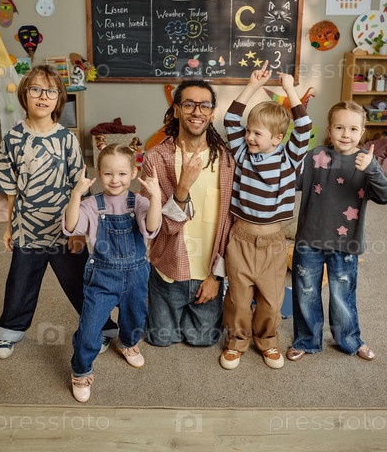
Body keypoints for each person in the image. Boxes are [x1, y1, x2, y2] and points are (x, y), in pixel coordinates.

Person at [0, 64, 117, 359]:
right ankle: (10, 331)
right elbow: (11, 190)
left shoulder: (66, 139)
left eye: (50, 91)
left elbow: (81, 188)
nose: (43, 96)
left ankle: (101, 327)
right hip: (28, 229)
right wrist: (10, 227)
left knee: (81, 282)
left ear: (59, 98)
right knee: (20, 283)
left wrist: (80, 231)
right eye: (36, 89)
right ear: (25, 94)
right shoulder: (12, 139)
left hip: (65, 228)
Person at [220, 60, 312, 370]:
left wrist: (289, 90)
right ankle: (236, 342)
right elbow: (231, 118)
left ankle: (267, 340)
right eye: (248, 131)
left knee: (271, 301)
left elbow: (304, 127)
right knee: (238, 299)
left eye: (257, 133)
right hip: (241, 239)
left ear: (277, 138)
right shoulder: (242, 154)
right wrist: (253, 86)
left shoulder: (290, 158)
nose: (249, 137)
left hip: (273, 242)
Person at [287, 100, 387, 363]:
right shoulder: (315, 156)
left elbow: (384, 196)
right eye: (339, 127)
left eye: (353, 129)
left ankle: (350, 339)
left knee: (343, 295)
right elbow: (289, 182)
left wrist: (372, 169)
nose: (346, 134)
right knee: (306, 292)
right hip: (309, 240)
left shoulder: (366, 162)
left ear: (362, 131)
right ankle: (306, 340)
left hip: (346, 244)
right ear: (330, 129)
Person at [63, 143, 162, 402]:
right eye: (108, 173)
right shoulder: (91, 204)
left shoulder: (139, 202)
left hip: (136, 275)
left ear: (133, 173)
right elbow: (71, 226)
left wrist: (156, 198)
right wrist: (75, 196)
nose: (115, 179)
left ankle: (127, 344)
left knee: (135, 317)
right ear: (98, 173)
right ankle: (81, 370)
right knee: (89, 327)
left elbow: (152, 227)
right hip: (102, 277)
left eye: (121, 173)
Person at [141, 79, 234, 347]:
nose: (197, 112)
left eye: (204, 106)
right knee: (160, 339)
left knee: (203, 340)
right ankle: (153, 296)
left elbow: (231, 224)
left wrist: (217, 277)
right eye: (189, 104)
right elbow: (157, 227)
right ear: (176, 110)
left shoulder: (225, 160)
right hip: (168, 271)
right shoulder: (155, 159)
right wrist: (182, 188)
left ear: (212, 113)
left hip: (208, 274)